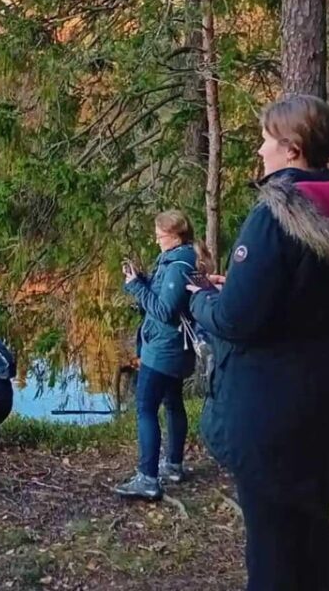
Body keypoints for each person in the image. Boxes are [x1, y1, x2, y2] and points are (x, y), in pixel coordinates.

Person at [188, 94, 329, 591]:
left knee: (271, 557)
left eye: (267, 138)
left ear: (292, 149)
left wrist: (201, 301)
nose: (261, 149)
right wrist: (242, 285)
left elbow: (235, 320)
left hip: (269, 420)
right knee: (310, 544)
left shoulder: (275, 216)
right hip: (323, 410)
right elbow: (302, 298)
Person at [115, 210, 207, 500]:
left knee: (145, 408)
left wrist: (135, 287)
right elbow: (166, 300)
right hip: (173, 348)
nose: (156, 240)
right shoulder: (180, 259)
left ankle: (148, 478)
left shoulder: (178, 266)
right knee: (172, 403)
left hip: (164, 350)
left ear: (176, 235)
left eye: (160, 235)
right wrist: (142, 280)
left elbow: (165, 312)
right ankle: (174, 465)